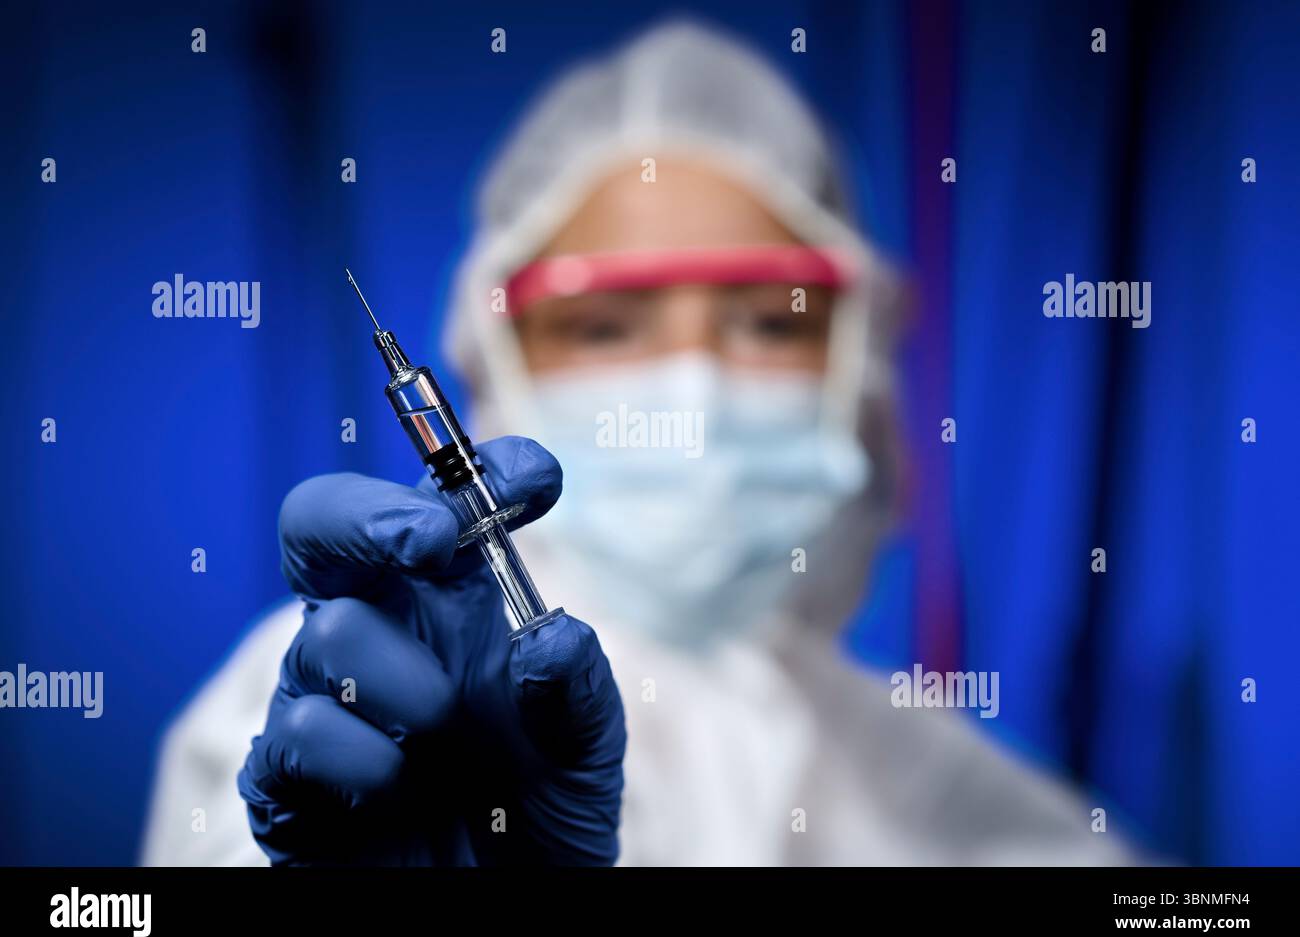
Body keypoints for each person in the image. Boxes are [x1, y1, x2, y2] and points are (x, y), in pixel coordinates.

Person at [142, 20, 1129, 866]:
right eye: (604, 325)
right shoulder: (369, 698)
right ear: (491, 366)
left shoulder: (927, 775)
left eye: (771, 322)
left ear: (857, 363)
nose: (689, 382)